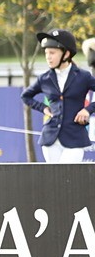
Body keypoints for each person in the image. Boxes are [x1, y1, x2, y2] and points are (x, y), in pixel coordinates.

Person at [21, 28, 95, 163]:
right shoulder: (44, 78)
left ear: (66, 54)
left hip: (75, 138)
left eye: (52, 53)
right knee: (54, 180)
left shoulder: (83, 76)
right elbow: (25, 96)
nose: (48, 56)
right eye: (46, 53)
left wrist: (87, 110)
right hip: (50, 138)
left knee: (67, 177)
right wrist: (44, 108)